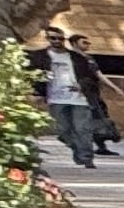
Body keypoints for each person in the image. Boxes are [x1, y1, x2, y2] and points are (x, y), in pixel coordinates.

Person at [38, 35, 100, 167]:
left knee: (83, 128)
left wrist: (82, 85)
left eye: (60, 38)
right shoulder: (40, 56)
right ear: (48, 39)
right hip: (56, 98)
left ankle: (87, 158)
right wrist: (38, 93)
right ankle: (77, 148)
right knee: (62, 130)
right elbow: (33, 76)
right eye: (53, 38)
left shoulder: (77, 57)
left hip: (79, 98)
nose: (57, 41)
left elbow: (91, 77)